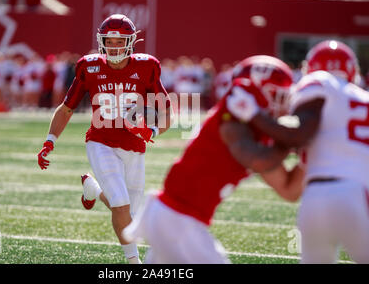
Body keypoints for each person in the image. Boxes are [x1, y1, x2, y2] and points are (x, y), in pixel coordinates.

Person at [123, 55, 304, 264]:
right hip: (178, 218)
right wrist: (293, 141)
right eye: (277, 95)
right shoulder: (234, 119)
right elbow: (255, 158)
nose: (283, 103)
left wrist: (310, 156)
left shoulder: (258, 132)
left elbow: (289, 189)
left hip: (173, 218)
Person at [36, 14, 172, 264]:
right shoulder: (89, 66)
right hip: (101, 142)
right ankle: (134, 263)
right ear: (102, 42)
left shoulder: (147, 67)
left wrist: (151, 131)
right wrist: (50, 140)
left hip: (135, 147)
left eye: (120, 42)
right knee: (120, 204)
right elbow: (67, 108)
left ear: (131, 43)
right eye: (109, 41)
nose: (114, 47)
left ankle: (94, 189)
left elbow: (165, 112)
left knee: (130, 215)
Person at [240, 41, 369, 263]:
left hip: (314, 200)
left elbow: (298, 137)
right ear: (352, 70)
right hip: (358, 194)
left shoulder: (319, 83)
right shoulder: (361, 104)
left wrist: (255, 122)